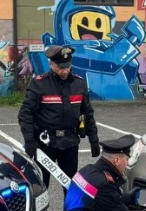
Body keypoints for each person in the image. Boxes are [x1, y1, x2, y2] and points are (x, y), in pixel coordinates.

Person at [18, 45, 100, 187]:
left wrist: (94, 139)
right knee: (40, 186)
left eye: (67, 66)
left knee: (70, 186)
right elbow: (25, 113)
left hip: (70, 143)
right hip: (45, 143)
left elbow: (87, 113)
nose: (65, 71)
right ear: (51, 64)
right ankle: (41, 210)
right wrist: (29, 140)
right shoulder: (40, 84)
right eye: (60, 67)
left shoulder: (79, 83)